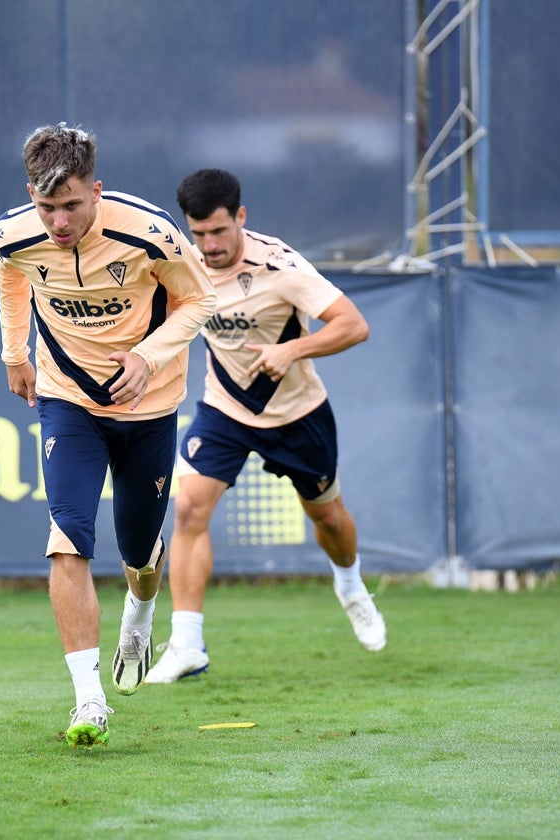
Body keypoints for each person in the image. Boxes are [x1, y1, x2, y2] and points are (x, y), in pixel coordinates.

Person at [0, 124, 217, 747]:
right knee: (67, 536)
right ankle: (89, 701)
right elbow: (10, 277)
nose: (58, 222)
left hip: (148, 406)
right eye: (46, 208)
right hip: (68, 401)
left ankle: (141, 611)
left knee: (140, 554)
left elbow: (198, 303)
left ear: (97, 189)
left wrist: (147, 355)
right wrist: (16, 353)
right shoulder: (14, 233)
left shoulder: (149, 232)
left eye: (71, 205)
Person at [145, 168, 384, 685]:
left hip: (298, 415)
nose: (208, 245)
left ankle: (349, 584)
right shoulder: (183, 265)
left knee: (329, 520)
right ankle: (187, 644)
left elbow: (353, 325)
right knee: (187, 508)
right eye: (199, 233)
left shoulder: (281, 264)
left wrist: (292, 349)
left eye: (218, 232)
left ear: (241, 218)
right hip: (225, 410)